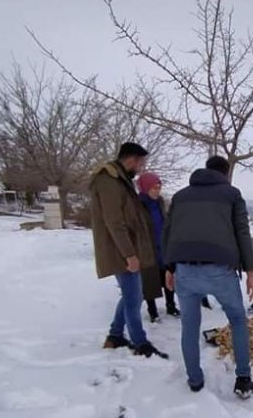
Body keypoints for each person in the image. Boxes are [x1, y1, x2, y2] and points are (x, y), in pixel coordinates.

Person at [163, 156, 253, 398]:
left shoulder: (180, 196)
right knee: (238, 320)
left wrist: (169, 267)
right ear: (225, 174)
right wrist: (250, 273)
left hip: (184, 269)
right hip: (220, 270)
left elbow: (168, 232)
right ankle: (243, 379)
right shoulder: (232, 194)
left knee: (190, 326)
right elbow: (242, 232)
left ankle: (194, 380)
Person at [89, 142, 168, 359]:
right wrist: (129, 255)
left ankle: (115, 336)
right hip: (121, 251)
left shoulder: (120, 179)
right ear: (131, 159)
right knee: (134, 297)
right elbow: (114, 222)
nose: (141, 168)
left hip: (127, 248)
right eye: (140, 163)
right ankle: (140, 343)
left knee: (131, 295)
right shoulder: (109, 181)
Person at [137, 172, 180, 322]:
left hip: (162, 246)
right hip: (146, 248)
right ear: (145, 188)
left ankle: (171, 305)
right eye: (154, 187)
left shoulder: (160, 202)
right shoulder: (137, 204)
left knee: (168, 277)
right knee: (149, 281)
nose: (157, 190)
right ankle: (153, 311)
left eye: (159, 187)